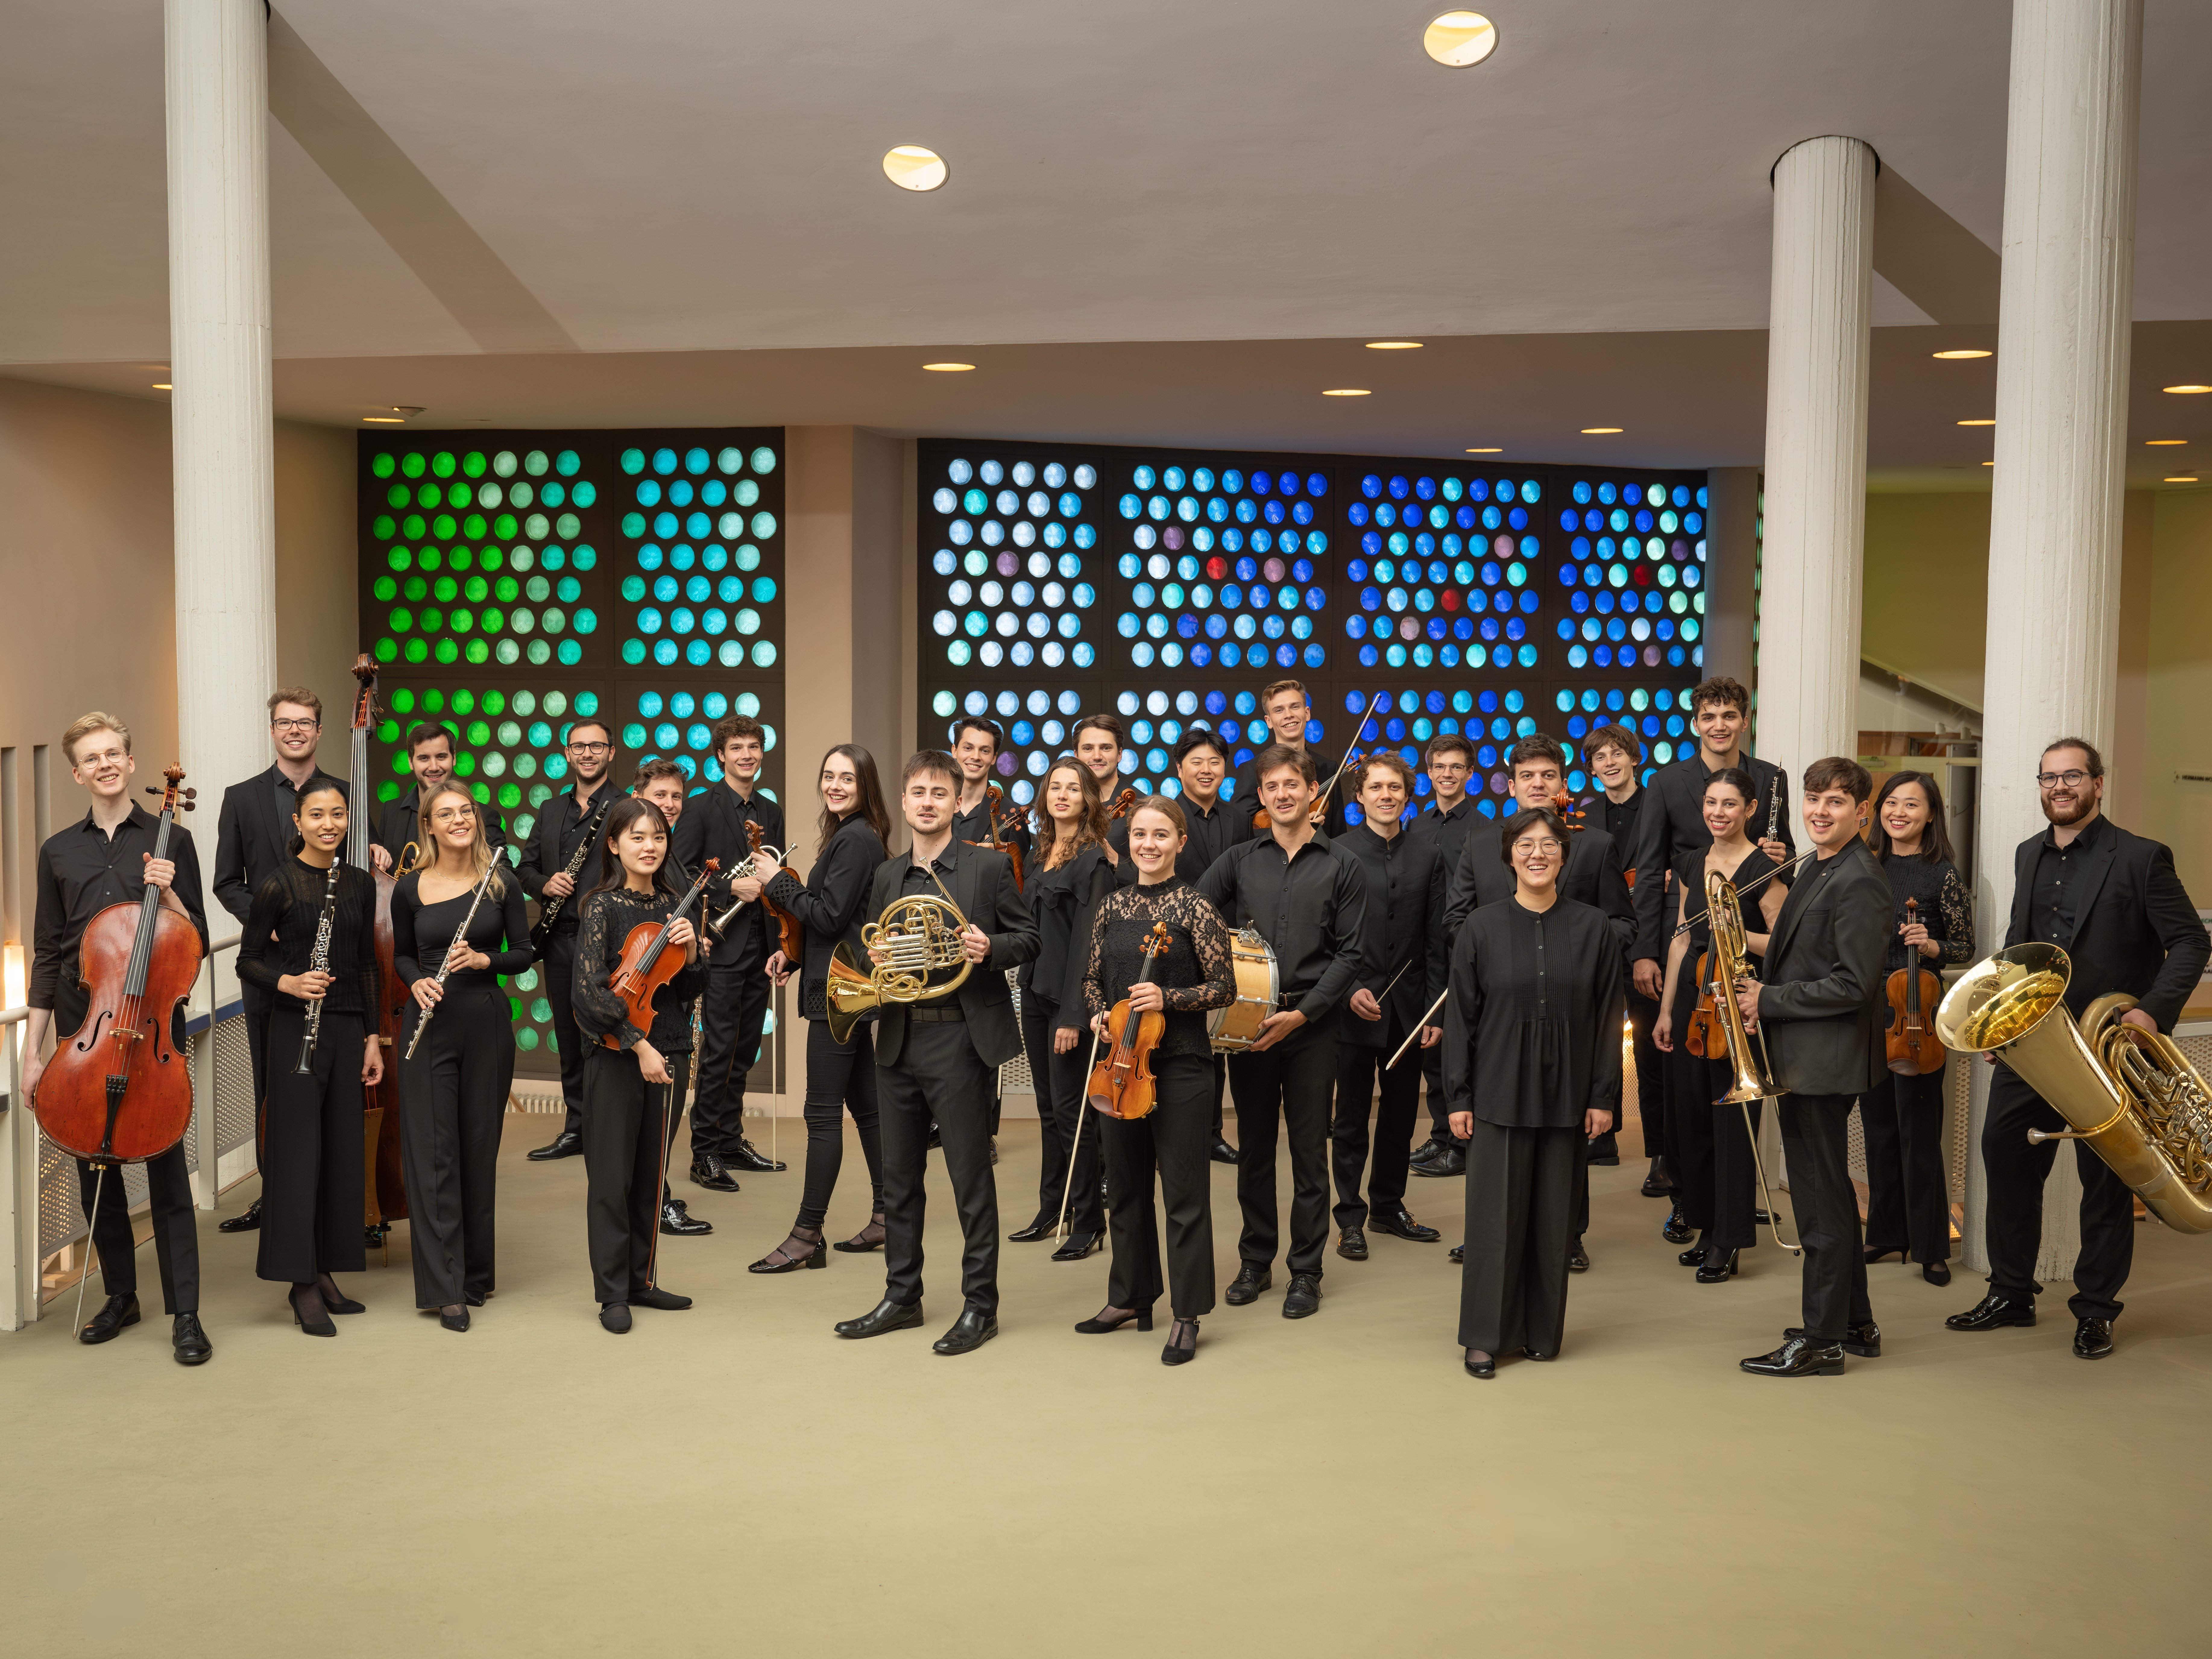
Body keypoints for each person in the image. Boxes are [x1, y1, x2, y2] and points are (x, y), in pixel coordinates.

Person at [1946, 738, 2207, 1361]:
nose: (2059, 788)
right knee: (2004, 1156)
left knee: (2108, 1180)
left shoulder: (2142, 858)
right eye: (2049, 778)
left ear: (2097, 784)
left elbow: (2192, 943)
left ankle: (2096, 1310)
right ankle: (2011, 1292)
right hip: (2035, 1044)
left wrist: (2150, 1008)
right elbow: (2018, 946)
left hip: (2109, 1045)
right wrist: (1998, 1022)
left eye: (2072, 777)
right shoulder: (2026, 854)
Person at [24, 712, 214, 1364]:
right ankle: (122, 1297)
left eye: (115, 753)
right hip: (85, 1032)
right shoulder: (58, 851)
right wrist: (32, 1052)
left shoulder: (172, 840)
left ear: (131, 763)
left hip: (154, 1032)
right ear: (78, 773)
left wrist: (173, 894)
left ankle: (186, 1313)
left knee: (166, 1172)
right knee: (93, 1167)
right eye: (92, 758)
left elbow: (196, 944)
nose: (106, 764)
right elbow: (48, 954)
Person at [833, 752, 1037, 1356]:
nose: (927, 802)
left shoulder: (989, 866)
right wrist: (883, 958)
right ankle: (903, 1297)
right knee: (899, 1180)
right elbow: (874, 950)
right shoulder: (889, 875)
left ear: (957, 801)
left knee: (969, 1178)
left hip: (960, 1037)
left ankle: (981, 1305)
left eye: (939, 793)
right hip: (897, 1038)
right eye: (918, 792)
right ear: (904, 801)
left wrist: (990, 945)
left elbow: (1030, 936)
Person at [1442, 734, 1634, 1271]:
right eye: (1527, 776)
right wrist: (1495, 951)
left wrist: (1581, 947)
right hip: (1500, 1002)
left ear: (1562, 782)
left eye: (1547, 775)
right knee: (1496, 1127)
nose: (1537, 784)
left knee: (1564, 1127)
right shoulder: (1481, 842)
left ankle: (1566, 1235)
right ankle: (1489, 1229)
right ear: (1510, 783)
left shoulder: (1591, 844)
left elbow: (1621, 920)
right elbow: (1455, 917)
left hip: (1568, 1002)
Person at [1448, 806, 1622, 1377]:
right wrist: (1458, 1096)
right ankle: (1483, 1336)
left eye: (1549, 843)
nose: (1538, 853)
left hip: (1568, 1096)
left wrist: (1603, 1096)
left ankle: (1541, 1332)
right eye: (1526, 844)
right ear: (1509, 855)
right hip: (1496, 1091)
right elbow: (1461, 1020)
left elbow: (1605, 1018)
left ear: (1564, 857)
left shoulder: (1595, 926)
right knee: (1493, 1224)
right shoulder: (1480, 926)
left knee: (1552, 1223)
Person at [1196, 743, 1367, 1320]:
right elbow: (1195, 910)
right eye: (1272, 787)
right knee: (1254, 1151)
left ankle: (1306, 1270)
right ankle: (1254, 1259)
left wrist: (1305, 1012)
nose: (1283, 794)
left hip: (1311, 1024)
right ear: (1262, 798)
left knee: (1307, 1152)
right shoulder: (1241, 858)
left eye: (1293, 784)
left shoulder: (1343, 864)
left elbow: (1352, 953)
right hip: (1249, 1024)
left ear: (1312, 791)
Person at [1735, 758, 1892, 1378]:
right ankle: (1854, 1323)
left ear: (1862, 813)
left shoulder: (1860, 879)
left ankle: (1822, 1340)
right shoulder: (1817, 865)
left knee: (1821, 1203)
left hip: (1823, 1064)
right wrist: (1758, 993)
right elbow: (1802, 958)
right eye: (1812, 800)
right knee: (1824, 1194)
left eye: (1834, 802)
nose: (1820, 812)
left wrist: (1769, 1000)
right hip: (1804, 1053)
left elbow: (1854, 984)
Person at [1077, 797, 1237, 1365]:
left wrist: (1168, 996)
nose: (1148, 843)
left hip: (1181, 1065)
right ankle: (1130, 1296)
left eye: (1160, 834)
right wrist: (1100, 1014)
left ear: (1179, 841)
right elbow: (1093, 978)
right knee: (1123, 1185)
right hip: (1120, 1066)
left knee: (1184, 1193)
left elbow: (1224, 987)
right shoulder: (1112, 905)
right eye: (1139, 834)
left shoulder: (1196, 907)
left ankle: (1187, 1313)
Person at [235, 779, 385, 1337]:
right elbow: (247, 961)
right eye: (316, 814)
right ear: (297, 821)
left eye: (338, 814)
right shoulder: (278, 882)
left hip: (346, 1029)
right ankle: (299, 1283)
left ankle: (323, 1269)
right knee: (298, 1155)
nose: (329, 823)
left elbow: (367, 962)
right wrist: (289, 982)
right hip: (295, 1027)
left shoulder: (360, 882)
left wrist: (372, 1037)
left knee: (341, 1153)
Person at [738, 745, 893, 1271]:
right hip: (844, 983)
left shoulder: (855, 839)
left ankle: (807, 1234)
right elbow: (839, 923)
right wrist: (793, 954)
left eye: (846, 777)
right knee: (867, 1109)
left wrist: (775, 880)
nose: (835, 784)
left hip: (842, 993)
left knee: (821, 1113)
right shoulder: (852, 834)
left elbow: (827, 915)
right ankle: (889, 1214)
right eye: (828, 775)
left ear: (864, 784)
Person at [391, 780, 531, 1331]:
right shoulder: (408, 888)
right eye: (445, 813)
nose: (458, 819)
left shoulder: (501, 881)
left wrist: (484, 959)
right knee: (433, 1155)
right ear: (428, 825)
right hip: (429, 1026)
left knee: (477, 1149)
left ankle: (475, 1274)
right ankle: (445, 1287)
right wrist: (415, 983)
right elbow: (402, 953)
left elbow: (523, 954)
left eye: (465, 811)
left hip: (486, 1023)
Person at [569, 798, 708, 1333]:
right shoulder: (601, 906)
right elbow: (587, 994)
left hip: (670, 1048)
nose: (649, 846)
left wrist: (694, 951)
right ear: (613, 844)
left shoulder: (678, 904)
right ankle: (611, 1292)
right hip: (617, 1051)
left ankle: (641, 1280)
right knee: (610, 1175)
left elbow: (691, 990)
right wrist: (636, 1042)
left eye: (657, 836)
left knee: (651, 1174)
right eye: (637, 837)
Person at [210, 685, 344, 1234]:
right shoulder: (240, 797)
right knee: (271, 1081)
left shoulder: (341, 794)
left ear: (318, 730)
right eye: (285, 722)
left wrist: (376, 848)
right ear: (273, 730)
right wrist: (270, 919)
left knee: (333, 1081)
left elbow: (360, 868)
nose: (295, 730)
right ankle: (275, 1194)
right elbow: (225, 881)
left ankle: (336, 1194)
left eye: (305, 722)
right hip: (267, 966)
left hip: (331, 963)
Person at [1652, 769, 1786, 1284]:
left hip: (1736, 1000)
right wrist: (1666, 1010)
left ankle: (1729, 1239)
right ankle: (1706, 1225)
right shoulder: (1689, 861)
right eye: (1711, 802)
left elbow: (1780, 944)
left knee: (1731, 1125)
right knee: (1692, 1121)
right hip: (1692, 999)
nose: (1717, 812)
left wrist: (1731, 927)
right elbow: (1681, 939)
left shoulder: (1764, 868)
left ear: (1749, 809)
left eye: (1729, 804)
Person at [1329, 754, 1447, 1260]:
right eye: (1375, 786)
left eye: (1394, 787)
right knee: (1352, 1116)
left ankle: (1387, 1205)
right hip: (1352, 1005)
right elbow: (1327, 935)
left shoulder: (1429, 854)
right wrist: (1348, 985)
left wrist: (1435, 1012)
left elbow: (1438, 938)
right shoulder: (1334, 852)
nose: (1385, 794)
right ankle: (1349, 1216)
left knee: (1400, 1115)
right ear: (1359, 795)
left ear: (1406, 793)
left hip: (1410, 1007)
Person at [670, 715, 789, 1188]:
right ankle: (703, 1153)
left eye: (754, 747)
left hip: (760, 942)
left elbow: (776, 870)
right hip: (721, 944)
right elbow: (678, 872)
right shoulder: (700, 808)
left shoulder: (770, 810)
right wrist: (726, 888)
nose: (746, 755)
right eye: (736, 747)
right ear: (721, 755)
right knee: (718, 1050)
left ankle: (730, 1140)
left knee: (743, 1049)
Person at [1864, 771, 1972, 1288]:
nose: (1898, 811)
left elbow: (1964, 947)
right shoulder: (1862, 864)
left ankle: (1930, 1245)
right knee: (1879, 1128)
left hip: (1917, 1015)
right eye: (1891, 802)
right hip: (1870, 1010)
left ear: (1930, 815)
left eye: (1912, 804)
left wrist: (1929, 946)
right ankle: (1885, 1231)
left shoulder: (1941, 874)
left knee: (1920, 1136)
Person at [1006, 759, 1114, 1259]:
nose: (1063, 794)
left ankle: (1089, 1221)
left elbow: (1091, 943)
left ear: (1088, 798)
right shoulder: (1041, 852)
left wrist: (1074, 1014)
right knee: (1048, 1110)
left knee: (1073, 1114)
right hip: (1034, 991)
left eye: (1073, 787)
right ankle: (1054, 1207)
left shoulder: (1094, 860)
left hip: (1069, 1002)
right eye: (1055, 787)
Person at [516, 717, 620, 1161]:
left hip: (609, 942)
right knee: (567, 1035)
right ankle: (576, 1128)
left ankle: (609, 1129)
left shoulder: (626, 807)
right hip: (560, 939)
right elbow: (522, 868)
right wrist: (544, 884)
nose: (588, 754)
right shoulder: (551, 811)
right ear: (567, 754)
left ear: (611, 753)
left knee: (606, 1035)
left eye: (597, 747)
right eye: (579, 747)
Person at [630, 759, 714, 1237]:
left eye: (676, 797)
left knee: (666, 1111)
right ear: (639, 795)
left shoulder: (677, 864)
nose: (669, 805)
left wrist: (693, 948)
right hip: (640, 1003)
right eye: (659, 795)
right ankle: (653, 1202)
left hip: (671, 997)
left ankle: (655, 1193)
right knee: (655, 1113)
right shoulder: (636, 860)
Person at [1584, 722, 1661, 1183]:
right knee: (1602, 1045)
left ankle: (1661, 1155)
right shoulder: (1584, 815)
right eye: (1600, 757)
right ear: (1591, 768)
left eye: (1617, 753)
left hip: (1648, 940)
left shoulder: (1660, 804)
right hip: (1604, 941)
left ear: (1634, 758)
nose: (1610, 762)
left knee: (1652, 1052)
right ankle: (1603, 1138)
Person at [1170, 727, 1250, 1164]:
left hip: (1227, 943)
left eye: (1214, 762)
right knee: (1186, 1042)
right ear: (1179, 768)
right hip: (1178, 942)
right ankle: (1182, 1132)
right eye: (1196, 762)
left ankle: (1213, 1133)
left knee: (1220, 1039)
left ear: (1225, 769)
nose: (1206, 770)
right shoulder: (1163, 813)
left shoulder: (1238, 818)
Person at [1407, 733, 1478, 1176]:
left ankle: (1461, 1141)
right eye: (1439, 767)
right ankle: (1439, 1135)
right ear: (1428, 772)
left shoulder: (1488, 829)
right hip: (1425, 952)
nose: (1447, 774)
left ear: (1470, 773)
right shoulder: (1414, 826)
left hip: (1466, 949)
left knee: (1461, 1048)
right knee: (1432, 1048)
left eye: (1456, 767)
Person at [370, 721, 507, 874]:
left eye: (441, 757)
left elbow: (505, 877)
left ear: (454, 758)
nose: (434, 767)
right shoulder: (391, 810)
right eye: (424, 758)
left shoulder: (484, 815)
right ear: (411, 762)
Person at [1228, 679, 1351, 837]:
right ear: (1269, 721)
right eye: (1279, 711)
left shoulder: (1330, 768)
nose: (1289, 715)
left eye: (1295, 707)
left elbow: (1337, 832)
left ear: (1307, 713)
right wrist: (1296, 828)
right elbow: (1240, 832)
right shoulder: (1251, 769)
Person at [1072, 712, 1135, 865]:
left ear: (1120, 754)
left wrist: (1116, 862)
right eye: (1088, 749)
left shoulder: (1142, 806)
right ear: (1076, 755)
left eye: (1106, 748)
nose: (1097, 756)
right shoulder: (1066, 803)